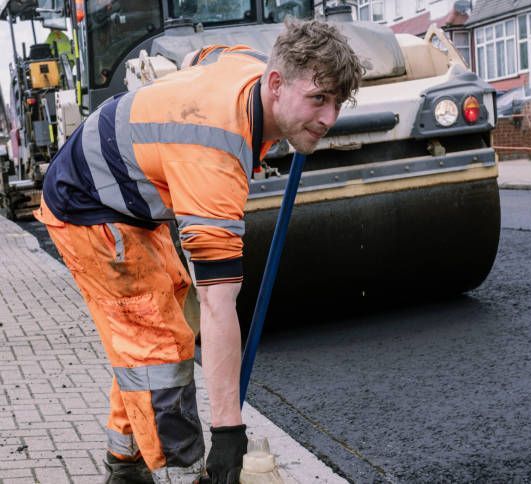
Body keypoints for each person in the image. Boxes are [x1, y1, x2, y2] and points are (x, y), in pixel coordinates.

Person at [34, 18, 362, 484]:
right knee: (158, 341)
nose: (330, 119)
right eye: (318, 99)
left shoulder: (246, 65)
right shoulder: (215, 151)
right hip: (87, 205)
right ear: (275, 84)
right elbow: (218, 301)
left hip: (130, 201)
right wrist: (229, 433)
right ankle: (183, 470)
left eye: (337, 102)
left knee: (154, 320)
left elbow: (197, 59)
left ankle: (124, 463)